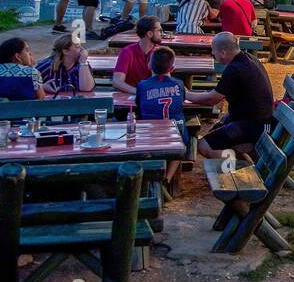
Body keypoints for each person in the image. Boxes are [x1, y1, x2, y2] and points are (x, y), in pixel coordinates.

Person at [187, 33, 275, 159]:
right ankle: (245, 159)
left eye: (214, 52)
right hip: (263, 122)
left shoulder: (235, 69)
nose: (213, 55)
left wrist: (186, 95)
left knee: (203, 146)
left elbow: (211, 99)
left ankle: (246, 163)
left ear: (223, 53)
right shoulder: (249, 58)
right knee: (214, 130)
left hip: (254, 127)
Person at [135, 45, 187, 181]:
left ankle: (151, 172)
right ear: (172, 68)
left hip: (150, 135)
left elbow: (139, 106)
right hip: (176, 133)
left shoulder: (142, 85)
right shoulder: (179, 84)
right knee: (183, 141)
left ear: (149, 66)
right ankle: (168, 177)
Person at [0, 38, 45, 102]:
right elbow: (40, 98)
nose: (30, 53)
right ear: (17, 56)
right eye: (27, 50)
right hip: (20, 114)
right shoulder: (32, 72)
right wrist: (30, 67)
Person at [112, 16, 163, 94]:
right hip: (130, 96)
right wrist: (138, 92)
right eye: (159, 31)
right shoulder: (127, 52)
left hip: (153, 96)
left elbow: (166, 79)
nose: (162, 34)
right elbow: (117, 81)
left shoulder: (160, 52)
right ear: (149, 34)